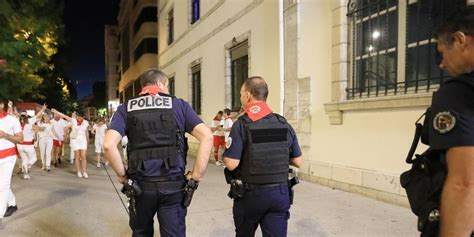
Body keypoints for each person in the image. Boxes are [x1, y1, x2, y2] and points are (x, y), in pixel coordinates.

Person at [103, 68, 213, 236]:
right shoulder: (179, 105)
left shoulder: (126, 108)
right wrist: (196, 175)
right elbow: (207, 136)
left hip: (141, 187)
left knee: (141, 232)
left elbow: (109, 145)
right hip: (173, 186)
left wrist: (122, 176)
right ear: (160, 84)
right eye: (167, 86)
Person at [223, 76, 303, 237]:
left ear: (247, 96)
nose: (241, 98)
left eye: (240, 95)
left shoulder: (242, 124)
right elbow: (298, 161)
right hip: (280, 193)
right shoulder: (283, 123)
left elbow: (231, 164)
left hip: (251, 194)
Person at [429, 6, 474, 237]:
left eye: (442, 53)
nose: (442, 64)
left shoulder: (458, 93)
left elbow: (464, 183)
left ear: (459, 40)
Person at [0, 99, 23, 223]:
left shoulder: (12, 120)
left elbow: (20, 139)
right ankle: (12, 204)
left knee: (3, 186)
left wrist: (6, 135)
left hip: (8, 157)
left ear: (2, 105)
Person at [53, 110, 90, 178]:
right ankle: (79, 171)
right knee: (77, 156)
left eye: (80, 117)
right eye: (78, 117)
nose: (79, 118)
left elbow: (86, 132)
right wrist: (56, 111)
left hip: (83, 140)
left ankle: (84, 172)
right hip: (75, 140)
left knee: (83, 156)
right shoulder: (73, 120)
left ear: (83, 117)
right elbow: (64, 116)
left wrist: (87, 141)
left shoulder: (86, 122)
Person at [17, 105, 47, 179]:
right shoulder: (29, 121)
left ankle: (26, 174)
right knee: (33, 159)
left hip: (19, 145)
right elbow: (37, 115)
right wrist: (43, 109)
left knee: (24, 159)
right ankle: (27, 165)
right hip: (28, 145)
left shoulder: (17, 122)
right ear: (26, 115)